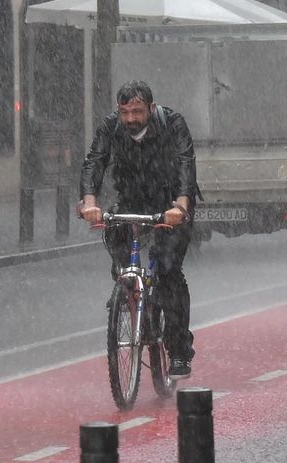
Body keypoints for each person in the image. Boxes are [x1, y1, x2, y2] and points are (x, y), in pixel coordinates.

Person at [78, 80, 199, 377]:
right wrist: (89, 202)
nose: (131, 119)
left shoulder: (172, 123)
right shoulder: (111, 127)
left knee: (169, 270)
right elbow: (95, 162)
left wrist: (181, 206)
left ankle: (179, 349)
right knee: (115, 234)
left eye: (137, 111)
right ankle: (127, 291)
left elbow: (186, 164)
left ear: (151, 108)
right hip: (132, 198)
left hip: (171, 201)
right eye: (125, 112)